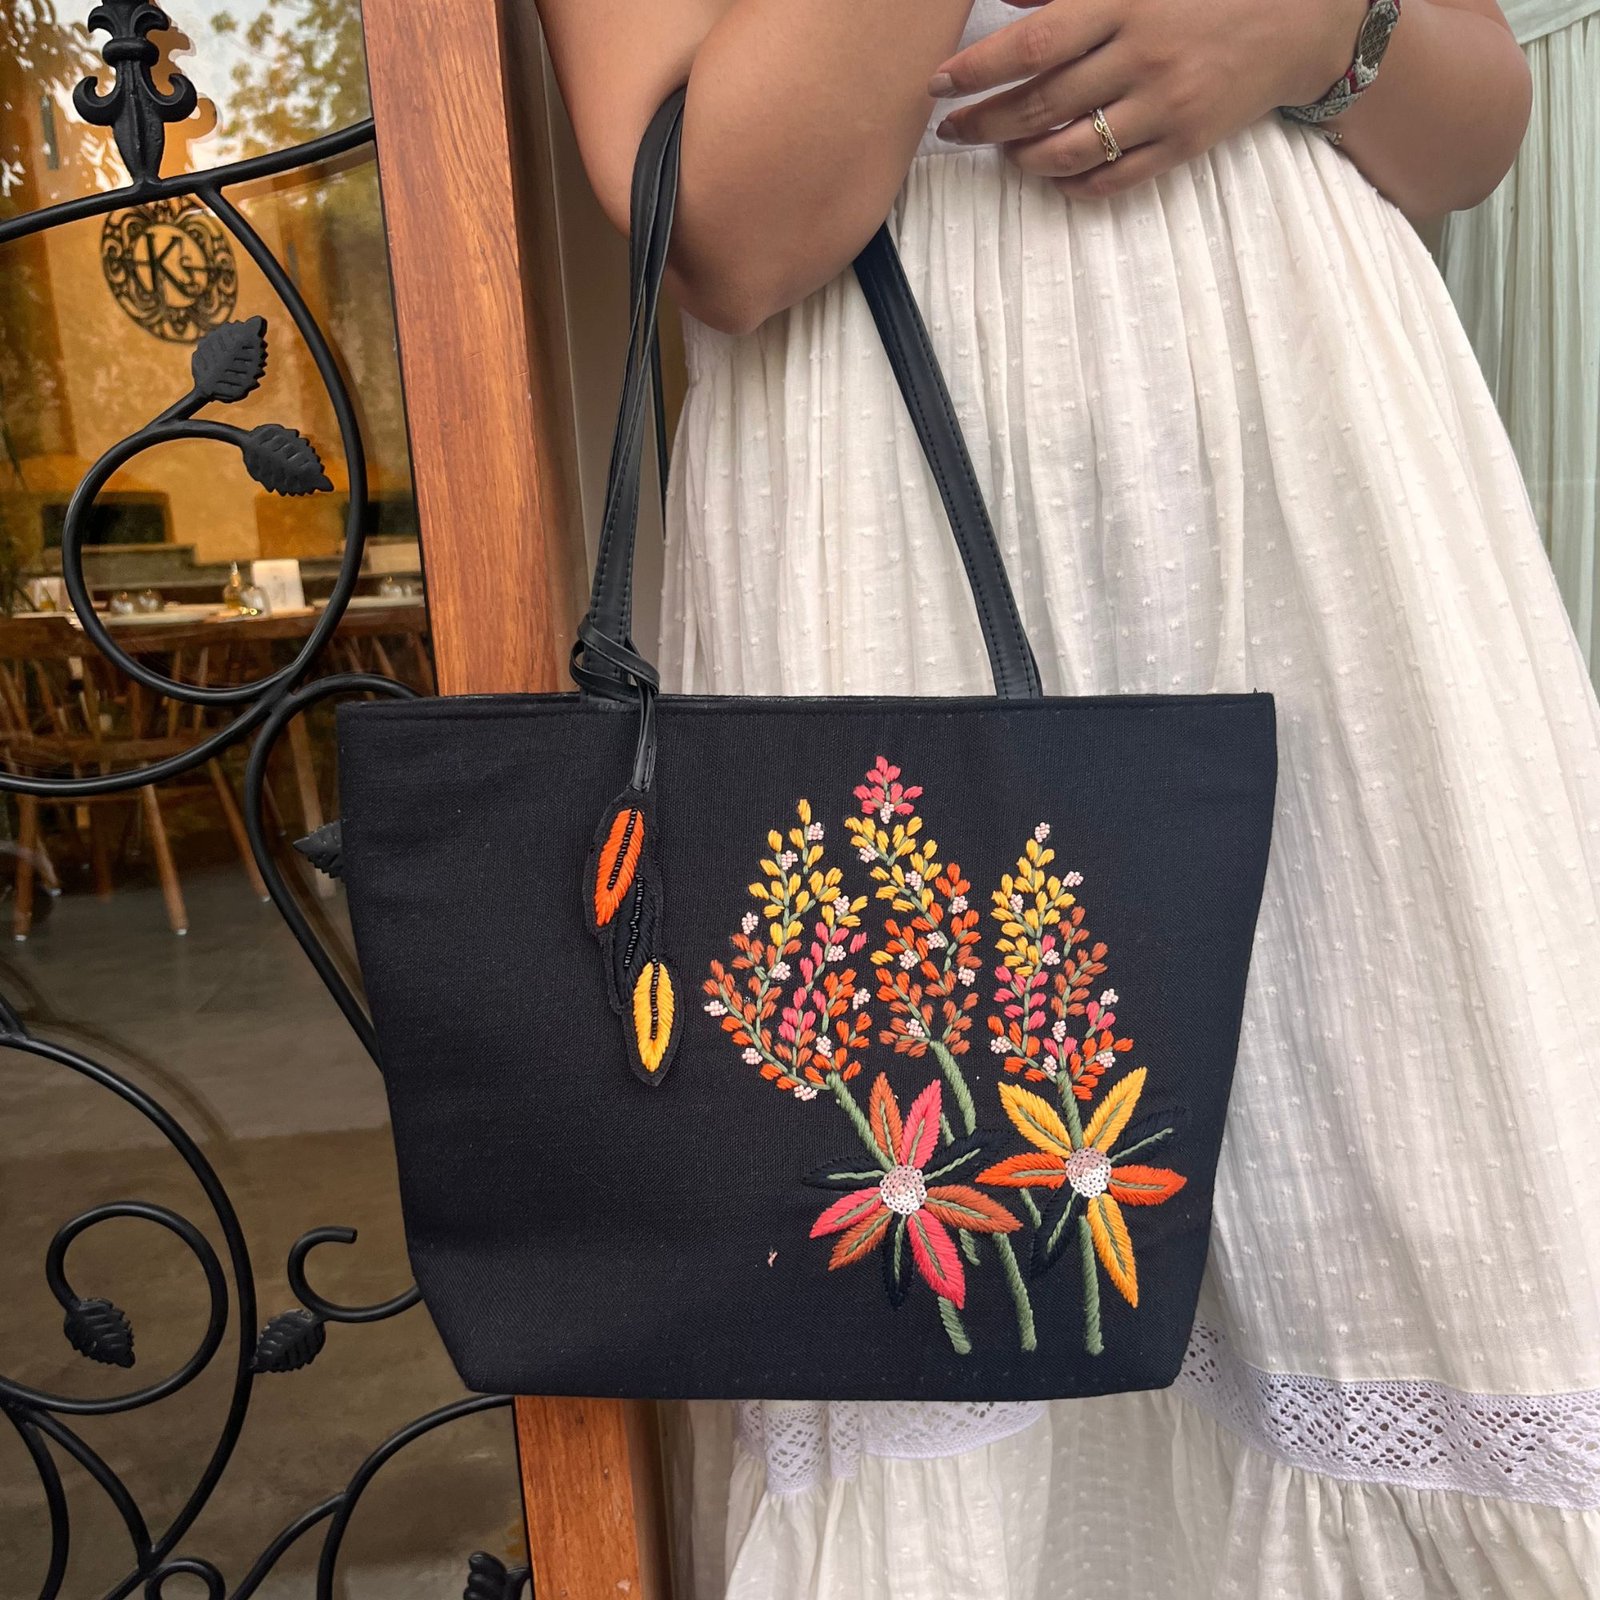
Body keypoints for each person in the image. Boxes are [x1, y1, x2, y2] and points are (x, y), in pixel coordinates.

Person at [538, 2, 1600, 1595]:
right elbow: (739, 225)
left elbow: (1474, 135)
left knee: (1435, 1228)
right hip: (883, 511)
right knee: (950, 1279)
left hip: (1331, 505)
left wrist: (1322, 22)